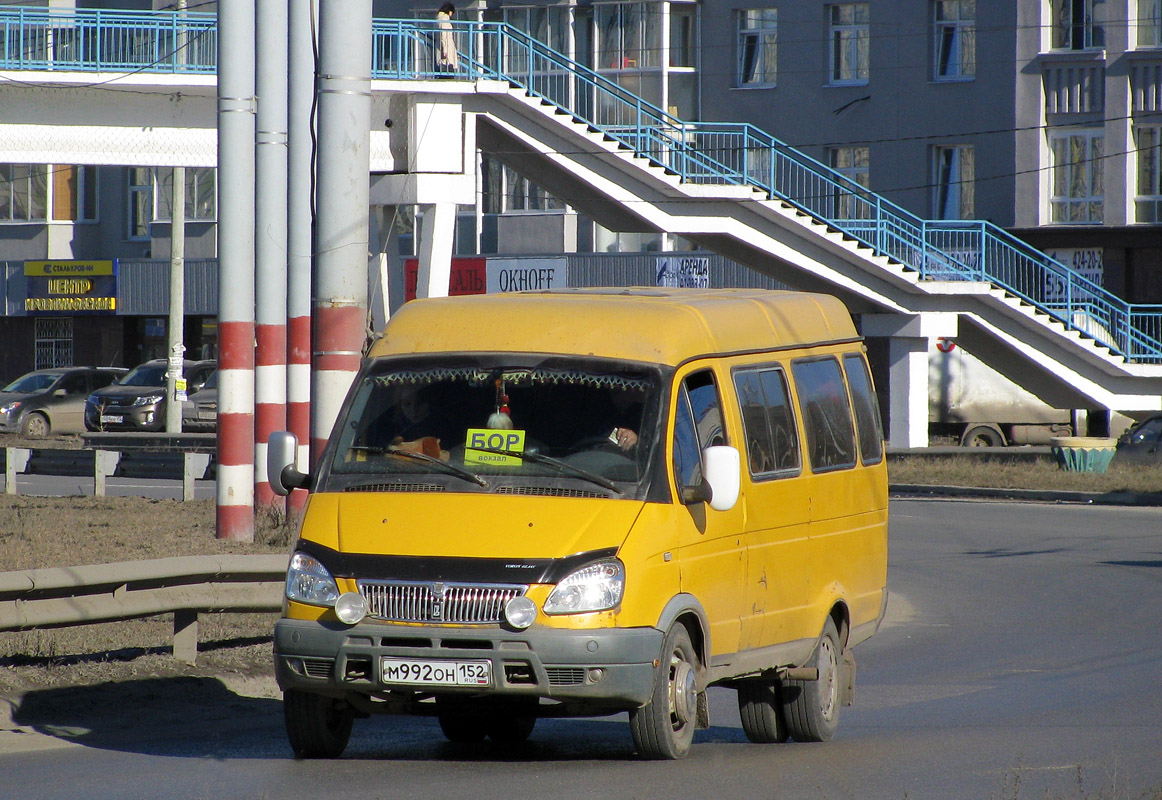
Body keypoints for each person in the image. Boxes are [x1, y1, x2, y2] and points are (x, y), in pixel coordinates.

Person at [435, 3, 459, 75]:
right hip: (446, 45)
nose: (451, 15)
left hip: (440, 44)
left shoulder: (438, 18)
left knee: (442, 64)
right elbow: (444, 33)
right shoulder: (444, 18)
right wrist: (445, 48)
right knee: (448, 64)